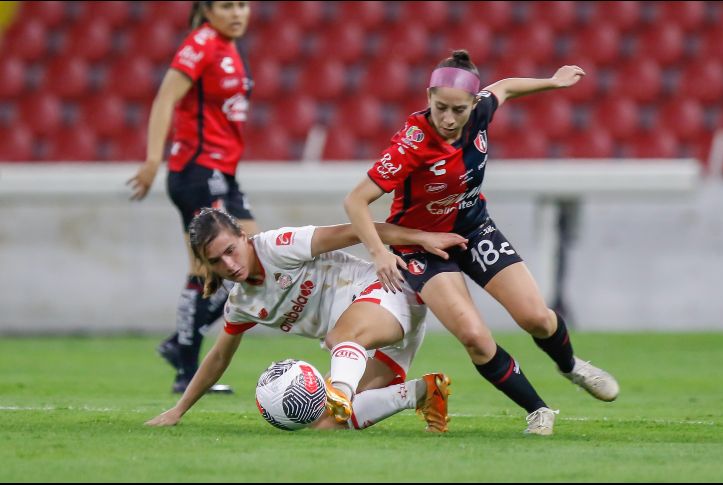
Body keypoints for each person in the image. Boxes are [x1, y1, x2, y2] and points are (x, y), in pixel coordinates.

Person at [342, 50, 620, 436]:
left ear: (474, 104)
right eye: (440, 108)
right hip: (423, 247)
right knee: (474, 337)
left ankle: (572, 366)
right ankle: (539, 410)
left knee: (536, 318)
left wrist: (552, 82)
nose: (448, 119)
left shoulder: (481, 111)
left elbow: (504, 87)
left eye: (458, 110)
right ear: (428, 98)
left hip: (474, 230)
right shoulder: (411, 145)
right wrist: (378, 253)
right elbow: (355, 200)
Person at [146, 208, 468, 431]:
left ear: (244, 236)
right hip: (360, 346)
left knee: (341, 338)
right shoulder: (242, 304)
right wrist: (179, 409)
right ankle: (423, 392)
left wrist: (421, 238)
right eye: (217, 261)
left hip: (390, 293)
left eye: (231, 250)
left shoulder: (278, 246)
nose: (229, 264)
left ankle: (340, 391)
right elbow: (218, 357)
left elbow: (356, 230)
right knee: (325, 424)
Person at [127, 1, 256, 394]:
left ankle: (179, 345)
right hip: (198, 171)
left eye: (242, 4)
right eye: (227, 6)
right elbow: (165, 99)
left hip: (222, 172)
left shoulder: (229, 46)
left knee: (253, 263)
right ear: (206, 10)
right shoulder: (201, 44)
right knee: (210, 270)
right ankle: (186, 368)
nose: (237, 13)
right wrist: (153, 160)